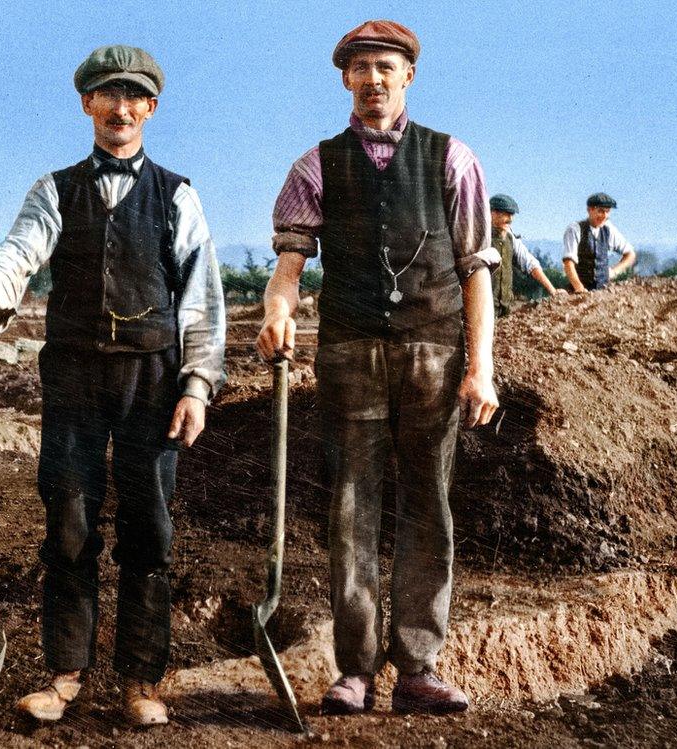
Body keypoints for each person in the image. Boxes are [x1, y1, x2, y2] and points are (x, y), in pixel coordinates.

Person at [0, 44, 226, 727]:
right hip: (73, 378)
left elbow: (202, 300)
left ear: (151, 108)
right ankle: (64, 675)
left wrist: (197, 385)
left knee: (149, 528)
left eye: (133, 96)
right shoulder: (55, 190)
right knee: (69, 522)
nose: (120, 107)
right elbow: (20, 254)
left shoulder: (176, 194)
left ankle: (140, 681)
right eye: (106, 94)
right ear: (86, 104)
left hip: (151, 382)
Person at [256, 19, 499, 716]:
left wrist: (480, 366)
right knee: (352, 507)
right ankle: (356, 669)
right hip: (350, 354)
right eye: (360, 69)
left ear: (408, 76)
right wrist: (278, 310)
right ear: (345, 79)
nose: (373, 81)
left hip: (434, 352)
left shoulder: (453, 159)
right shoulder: (316, 166)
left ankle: (419, 666)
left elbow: (477, 271)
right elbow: (290, 266)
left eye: (385, 68)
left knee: (429, 504)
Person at [489, 193, 566, 316]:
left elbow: (529, 263)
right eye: (506, 214)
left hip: (505, 306)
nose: (510, 219)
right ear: (492, 213)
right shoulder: (480, 237)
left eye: (512, 215)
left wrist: (552, 290)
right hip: (483, 306)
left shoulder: (510, 237)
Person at [562, 193, 636, 292]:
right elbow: (568, 263)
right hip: (578, 293)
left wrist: (614, 272)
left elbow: (630, 254)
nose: (604, 216)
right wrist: (579, 288)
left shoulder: (609, 229)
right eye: (600, 211)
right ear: (589, 210)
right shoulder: (574, 229)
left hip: (602, 293)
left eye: (607, 212)